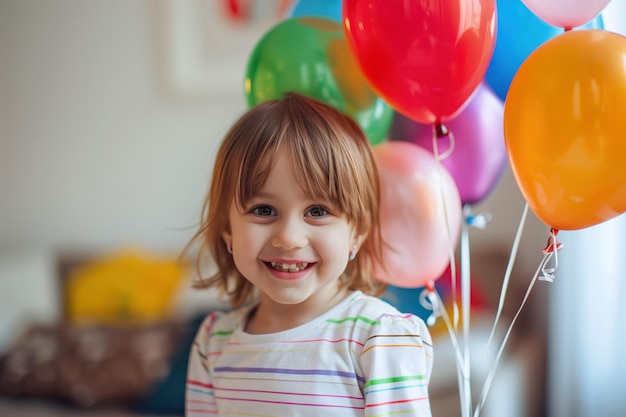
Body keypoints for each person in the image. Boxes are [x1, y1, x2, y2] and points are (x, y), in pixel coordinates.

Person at [184, 92, 433, 416]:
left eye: (317, 210)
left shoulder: (379, 337)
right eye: (263, 209)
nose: (289, 238)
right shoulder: (213, 343)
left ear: (356, 232)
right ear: (227, 229)